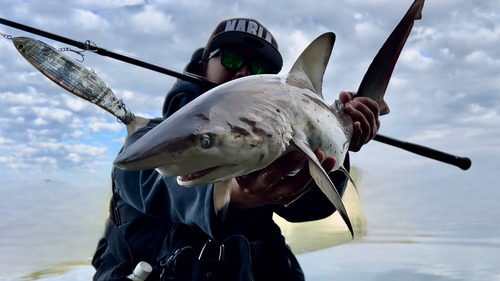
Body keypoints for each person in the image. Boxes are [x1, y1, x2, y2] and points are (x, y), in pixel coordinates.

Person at [92, 18, 380, 281]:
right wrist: (231, 196)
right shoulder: (145, 139)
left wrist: (337, 147)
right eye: (231, 59)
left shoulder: (273, 145)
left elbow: (306, 209)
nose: (242, 71)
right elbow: (157, 183)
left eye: (257, 70)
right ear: (204, 62)